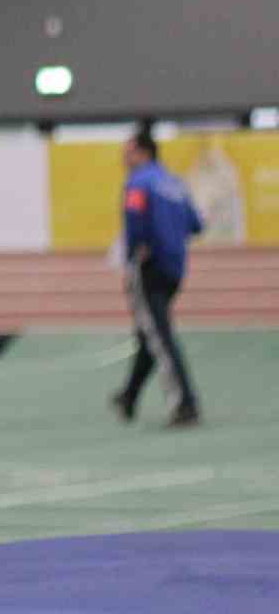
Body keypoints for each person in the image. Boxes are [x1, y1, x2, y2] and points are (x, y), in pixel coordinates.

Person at [111, 127, 204, 427]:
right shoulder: (174, 182)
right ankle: (129, 394)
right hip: (176, 268)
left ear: (143, 152)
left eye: (128, 150)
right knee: (150, 333)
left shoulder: (138, 183)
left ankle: (185, 402)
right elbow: (196, 224)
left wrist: (131, 260)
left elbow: (135, 225)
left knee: (159, 337)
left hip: (149, 267)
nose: (123, 157)